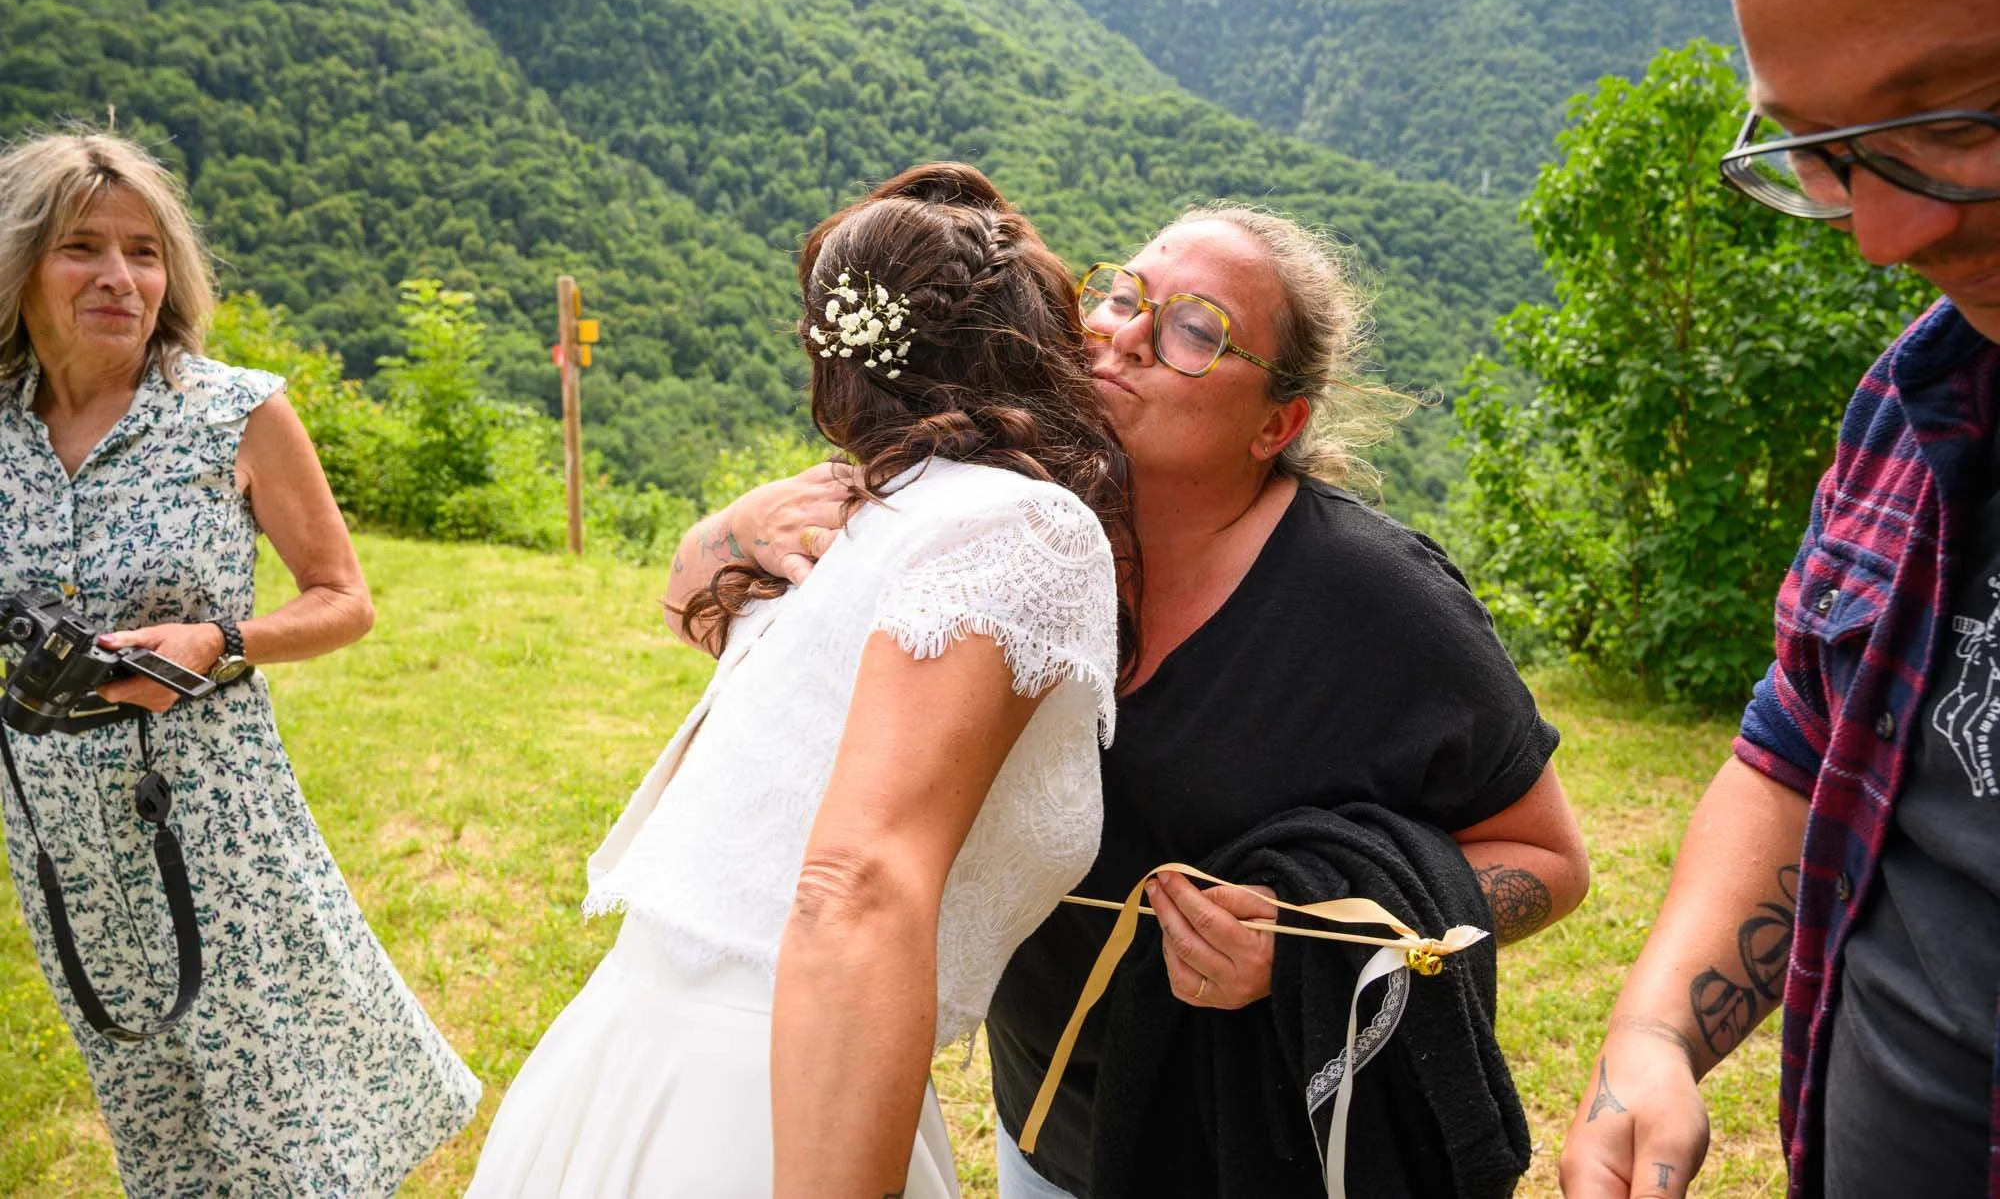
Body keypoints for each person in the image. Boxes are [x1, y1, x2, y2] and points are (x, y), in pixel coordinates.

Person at [694, 204, 1592, 1196]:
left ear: (1275, 424)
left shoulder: (1378, 604)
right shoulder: (1009, 524)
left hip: (1253, 1150)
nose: (1124, 332)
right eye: (1123, 294)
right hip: (1041, 1127)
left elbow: (1547, 858)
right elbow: (717, 604)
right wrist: (733, 533)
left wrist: (1311, 942)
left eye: (1194, 330)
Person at [466, 162, 1130, 1198]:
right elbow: (857, 882)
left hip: (640, 1042)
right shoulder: (1017, 528)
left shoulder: (878, 503)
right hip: (780, 1089)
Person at [1558, 0, 2000, 1196]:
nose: (1884, 233)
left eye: (1961, 117)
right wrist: (1653, 1035)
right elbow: (1803, 743)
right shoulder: (1920, 405)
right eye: (1823, 153)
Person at [0, 131, 478, 1194]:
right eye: (82, 247)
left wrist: (216, 643)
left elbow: (344, 600)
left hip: (211, 807)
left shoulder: (233, 411)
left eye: (144, 251)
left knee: (279, 1092)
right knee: (147, 1099)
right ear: (23, 263)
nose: (121, 278)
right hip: (54, 827)